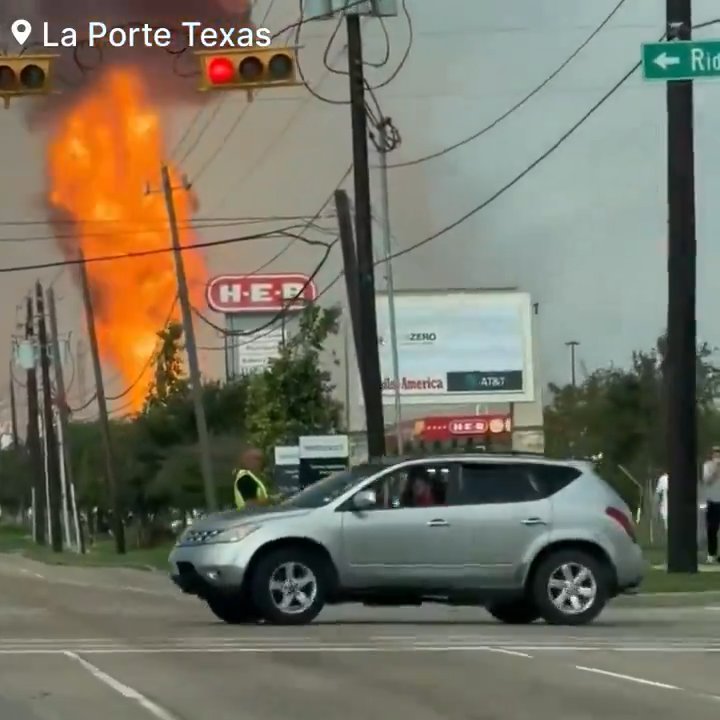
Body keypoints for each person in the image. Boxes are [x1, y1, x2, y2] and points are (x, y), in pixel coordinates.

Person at [702, 446, 720, 562]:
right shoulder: (707, 466)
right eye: (716, 453)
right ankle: (711, 554)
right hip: (712, 500)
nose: (717, 455)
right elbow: (707, 481)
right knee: (712, 528)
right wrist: (716, 469)